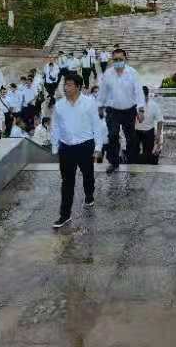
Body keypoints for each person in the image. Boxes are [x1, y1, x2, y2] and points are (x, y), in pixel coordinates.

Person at [51, 73, 101, 229]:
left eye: (69, 85)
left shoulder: (89, 103)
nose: (66, 88)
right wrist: (55, 147)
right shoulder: (59, 105)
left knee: (88, 174)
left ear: (78, 87)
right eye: (65, 85)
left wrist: (98, 147)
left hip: (85, 146)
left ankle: (89, 195)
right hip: (66, 148)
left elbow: (96, 125)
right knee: (67, 182)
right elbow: (55, 126)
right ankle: (65, 215)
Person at [97, 48, 145, 171]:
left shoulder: (132, 73)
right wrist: (100, 107)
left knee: (131, 138)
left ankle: (132, 162)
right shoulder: (108, 74)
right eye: (115, 60)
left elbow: (139, 92)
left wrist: (141, 110)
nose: (118, 62)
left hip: (129, 110)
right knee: (112, 135)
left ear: (125, 59)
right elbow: (103, 91)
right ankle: (114, 162)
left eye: (120, 59)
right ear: (112, 60)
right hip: (112, 110)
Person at [136, 86, 163, 164]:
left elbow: (160, 120)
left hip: (149, 131)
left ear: (147, 96)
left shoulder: (154, 105)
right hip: (136, 131)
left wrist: (158, 134)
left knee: (147, 153)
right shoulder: (135, 104)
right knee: (134, 152)